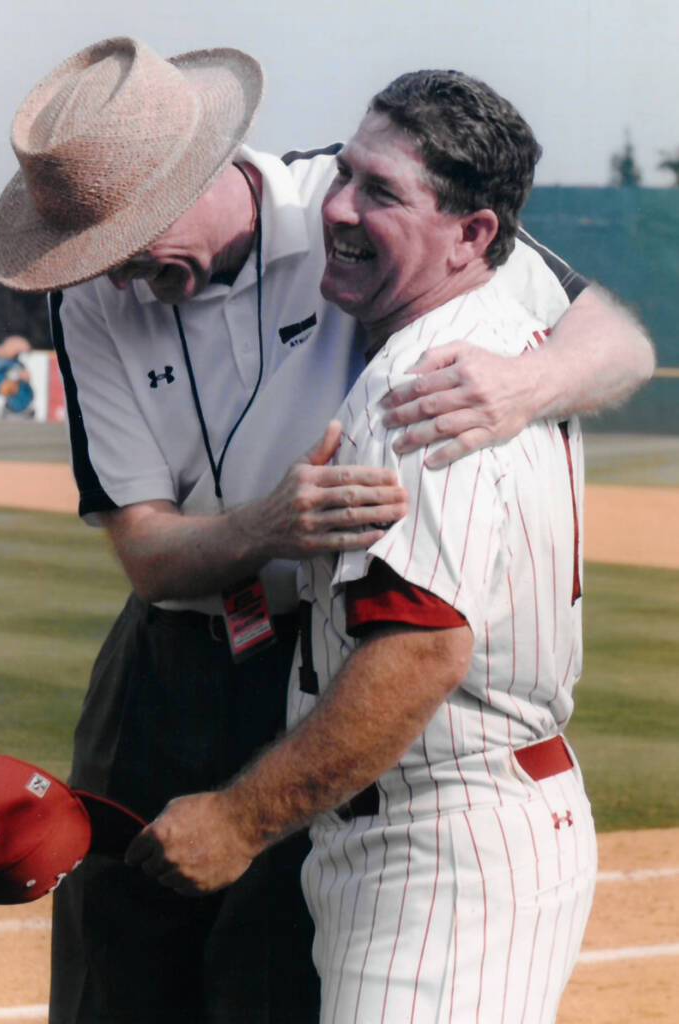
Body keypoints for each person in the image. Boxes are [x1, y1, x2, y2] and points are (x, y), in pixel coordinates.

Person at [0, 38, 652, 1024]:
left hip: (315, 660)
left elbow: (619, 341)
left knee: (280, 975)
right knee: (114, 972)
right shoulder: (95, 295)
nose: (113, 273)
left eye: (122, 237)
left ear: (198, 172)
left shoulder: (356, 209)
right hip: (168, 659)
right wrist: (270, 525)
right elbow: (145, 548)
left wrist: (521, 385)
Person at [126, 69, 599, 1024]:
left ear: (474, 236)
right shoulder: (494, 348)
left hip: (443, 845)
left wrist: (237, 819)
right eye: (343, 173)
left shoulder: (428, 383)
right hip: (470, 821)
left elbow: (422, 646)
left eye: (381, 192)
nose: (337, 207)